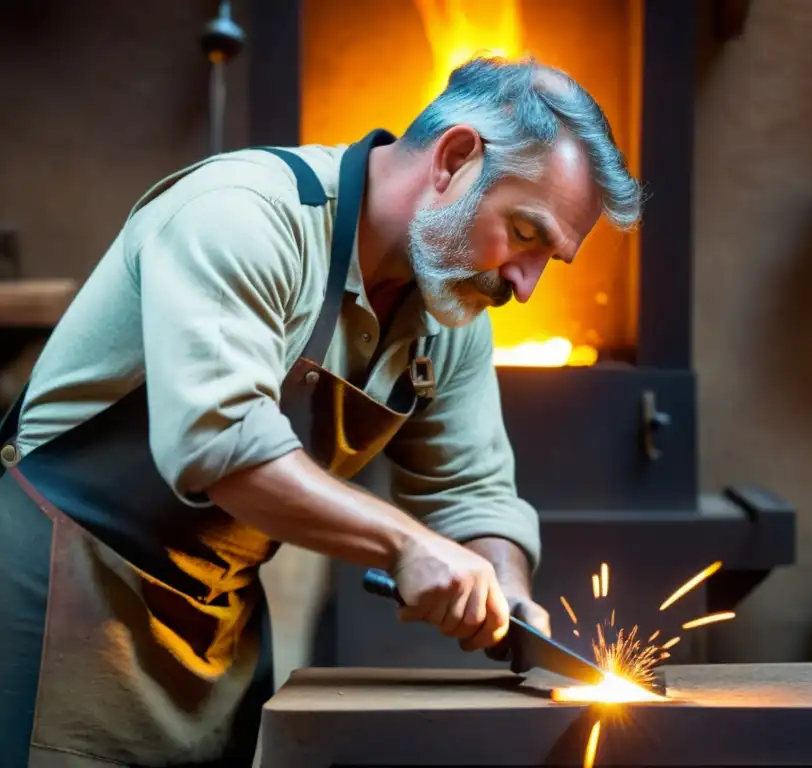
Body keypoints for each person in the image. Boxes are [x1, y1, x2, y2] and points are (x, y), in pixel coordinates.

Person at [0, 55, 642, 766]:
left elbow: (472, 492)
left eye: (550, 258)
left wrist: (507, 591)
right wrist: (409, 547)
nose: (526, 286)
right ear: (455, 157)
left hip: (215, 638)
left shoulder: (448, 310)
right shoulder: (243, 215)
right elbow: (222, 443)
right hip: (61, 602)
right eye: (525, 234)